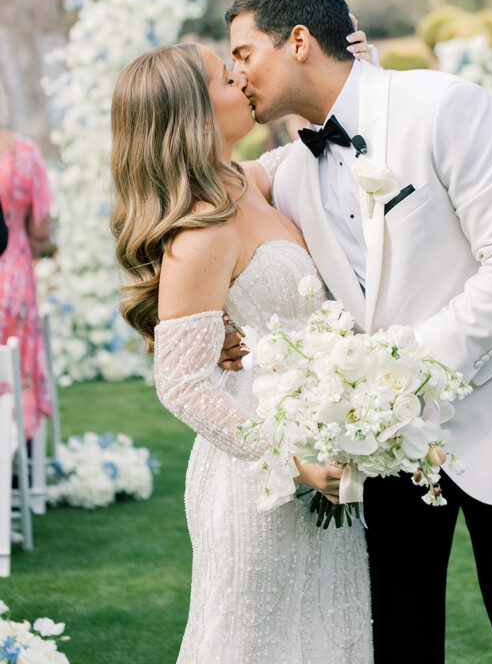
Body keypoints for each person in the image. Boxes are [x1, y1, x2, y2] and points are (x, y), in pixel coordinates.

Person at [225, 0, 492, 664]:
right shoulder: (291, 172)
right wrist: (214, 323)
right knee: (399, 643)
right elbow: (210, 207)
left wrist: (401, 376)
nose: (237, 74)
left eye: (244, 53)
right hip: (386, 451)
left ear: (299, 41)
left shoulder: (444, 105)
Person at [110, 41, 372, 664]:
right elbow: (181, 383)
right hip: (258, 481)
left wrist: (354, 65)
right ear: (193, 114)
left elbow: (324, 136)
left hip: (322, 451)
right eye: (228, 77)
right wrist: (293, 460)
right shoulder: (200, 231)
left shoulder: (248, 180)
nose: (245, 80)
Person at [0, 108, 53, 438]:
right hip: (16, 272)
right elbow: (41, 226)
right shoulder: (24, 151)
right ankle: (21, 443)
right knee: (18, 359)